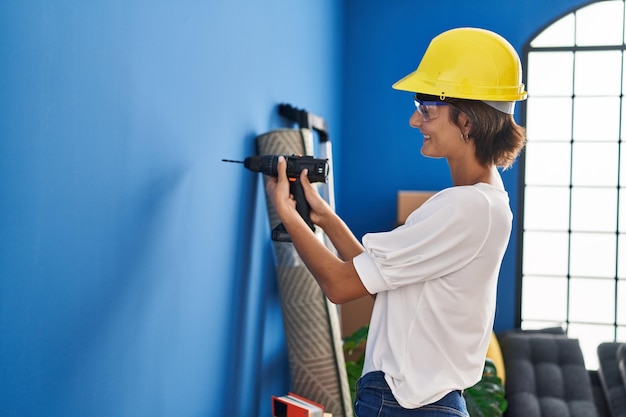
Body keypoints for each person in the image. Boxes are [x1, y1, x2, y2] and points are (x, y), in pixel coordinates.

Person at [266, 27, 527, 416]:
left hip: (404, 405)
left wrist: (286, 212)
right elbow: (379, 286)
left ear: (467, 121)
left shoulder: (466, 208)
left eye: (426, 108)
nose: (413, 120)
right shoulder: (484, 205)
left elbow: (339, 286)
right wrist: (325, 218)